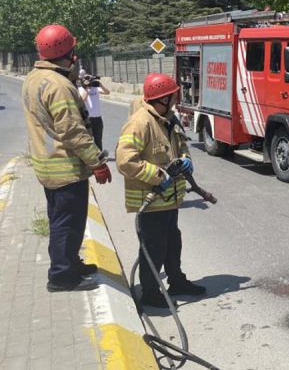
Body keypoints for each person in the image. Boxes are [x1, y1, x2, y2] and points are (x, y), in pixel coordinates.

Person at [22, 24, 113, 292]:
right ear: (68, 52)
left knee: (61, 219)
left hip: (47, 165)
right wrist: (97, 162)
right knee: (68, 224)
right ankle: (62, 276)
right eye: (74, 51)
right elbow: (72, 130)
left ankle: (70, 262)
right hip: (65, 169)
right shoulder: (59, 86)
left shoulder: (34, 78)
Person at [116, 73, 205, 308]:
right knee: (153, 248)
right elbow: (125, 160)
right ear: (162, 99)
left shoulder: (168, 118)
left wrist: (185, 159)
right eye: (172, 96)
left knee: (172, 241)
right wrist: (158, 176)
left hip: (169, 199)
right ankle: (151, 294)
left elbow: (180, 145)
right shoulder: (140, 123)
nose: (176, 98)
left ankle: (176, 281)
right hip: (151, 199)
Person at [77, 69, 110, 150]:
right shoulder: (81, 89)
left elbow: (107, 92)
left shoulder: (95, 88)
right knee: (89, 140)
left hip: (98, 118)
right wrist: (86, 88)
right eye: (86, 78)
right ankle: (90, 159)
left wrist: (100, 84)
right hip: (88, 118)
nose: (89, 80)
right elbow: (82, 99)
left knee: (98, 140)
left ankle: (100, 158)